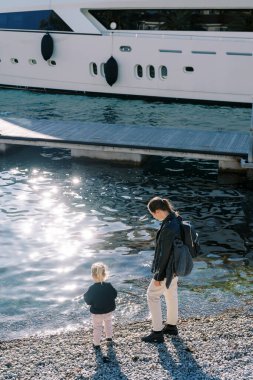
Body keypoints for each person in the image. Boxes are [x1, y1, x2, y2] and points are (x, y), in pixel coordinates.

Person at [142, 196, 181, 343]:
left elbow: (164, 254)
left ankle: (157, 332)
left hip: (167, 269)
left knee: (152, 295)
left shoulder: (168, 227)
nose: (153, 217)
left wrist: (158, 276)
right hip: (176, 267)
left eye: (153, 214)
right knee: (171, 294)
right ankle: (171, 326)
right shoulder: (176, 219)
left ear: (158, 211)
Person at [84, 262, 117, 349]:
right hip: (108, 311)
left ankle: (96, 344)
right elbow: (114, 295)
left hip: (97, 313)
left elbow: (88, 300)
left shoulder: (92, 289)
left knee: (97, 327)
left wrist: (91, 302)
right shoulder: (109, 286)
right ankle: (109, 339)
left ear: (92, 275)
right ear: (105, 274)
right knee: (108, 324)